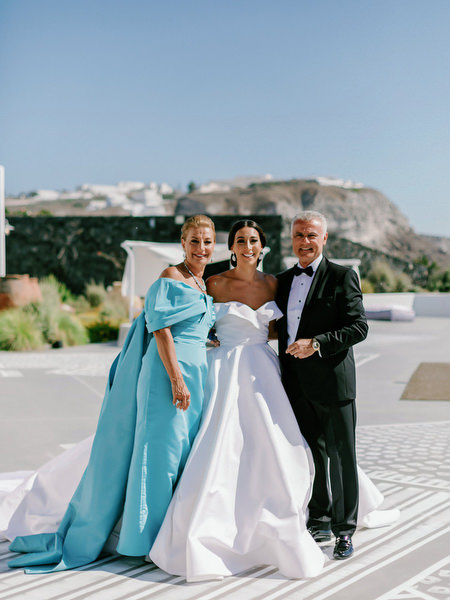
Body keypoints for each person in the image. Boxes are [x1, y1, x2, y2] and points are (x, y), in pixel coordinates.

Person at [148, 220, 395, 581]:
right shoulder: (213, 282)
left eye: (253, 240)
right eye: (240, 240)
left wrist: (315, 343)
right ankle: (243, 519)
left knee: (294, 447)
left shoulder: (276, 283)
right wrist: (207, 339)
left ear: (262, 246)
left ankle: (338, 527)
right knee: (223, 445)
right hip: (224, 371)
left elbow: (299, 325)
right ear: (230, 246)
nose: (247, 246)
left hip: (269, 372)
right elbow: (189, 319)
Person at [7, 214, 216, 573]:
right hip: (169, 375)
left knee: (179, 455)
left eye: (207, 241)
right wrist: (177, 379)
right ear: (182, 243)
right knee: (158, 457)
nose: (201, 248)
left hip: (195, 374)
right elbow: (161, 331)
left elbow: (193, 325)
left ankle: (163, 535)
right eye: (194, 241)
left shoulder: (201, 282)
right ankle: (141, 542)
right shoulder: (169, 277)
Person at [276, 210, 367, 560]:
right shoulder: (282, 280)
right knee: (311, 455)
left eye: (311, 235)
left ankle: (345, 531)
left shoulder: (343, 276)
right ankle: (320, 518)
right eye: (299, 235)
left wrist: (316, 343)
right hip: (295, 385)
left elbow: (358, 327)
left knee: (342, 458)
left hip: (334, 383)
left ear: (324, 238)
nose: (304, 241)